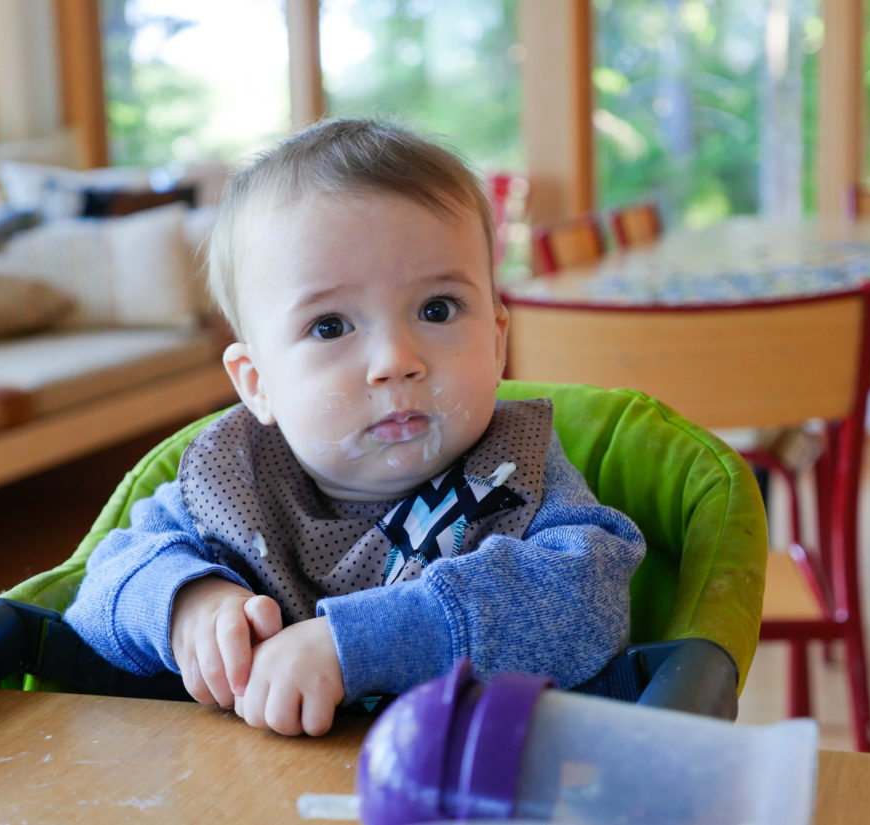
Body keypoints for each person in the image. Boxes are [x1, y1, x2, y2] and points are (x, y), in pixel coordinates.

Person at [64, 118, 645, 737]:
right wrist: (187, 606)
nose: (396, 359)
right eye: (330, 326)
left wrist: (357, 646)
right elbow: (97, 590)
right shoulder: (230, 482)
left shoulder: (513, 471)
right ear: (258, 383)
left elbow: (588, 601)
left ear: (498, 342)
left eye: (436, 309)